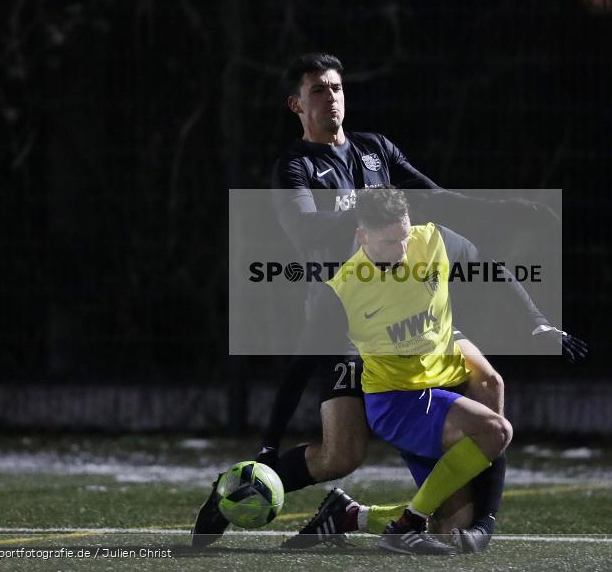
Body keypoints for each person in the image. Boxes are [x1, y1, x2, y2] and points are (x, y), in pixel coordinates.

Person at [191, 53, 586, 550]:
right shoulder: (295, 166)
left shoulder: (375, 149)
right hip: (348, 322)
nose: (331, 97)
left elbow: (433, 197)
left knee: (489, 383)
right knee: (342, 455)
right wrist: (369, 208)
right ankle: (238, 492)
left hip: (411, 313)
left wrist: (502, 210)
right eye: (318, 90)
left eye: (336, 88)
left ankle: (441, 522)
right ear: (296, 104)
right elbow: (305, 231)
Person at [282, 187, 514, 554]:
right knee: (496, 430)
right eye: (392, 242)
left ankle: (352, 515)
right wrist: (268, 444)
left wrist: (538, 322)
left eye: (405, 236)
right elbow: (302, 364)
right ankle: (406, 526)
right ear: (363, 237)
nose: (403, 250)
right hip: (398, 403)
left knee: (452, 528)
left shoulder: (430, 240)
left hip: (429, 393)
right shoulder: (344, 289)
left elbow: (487, 266)